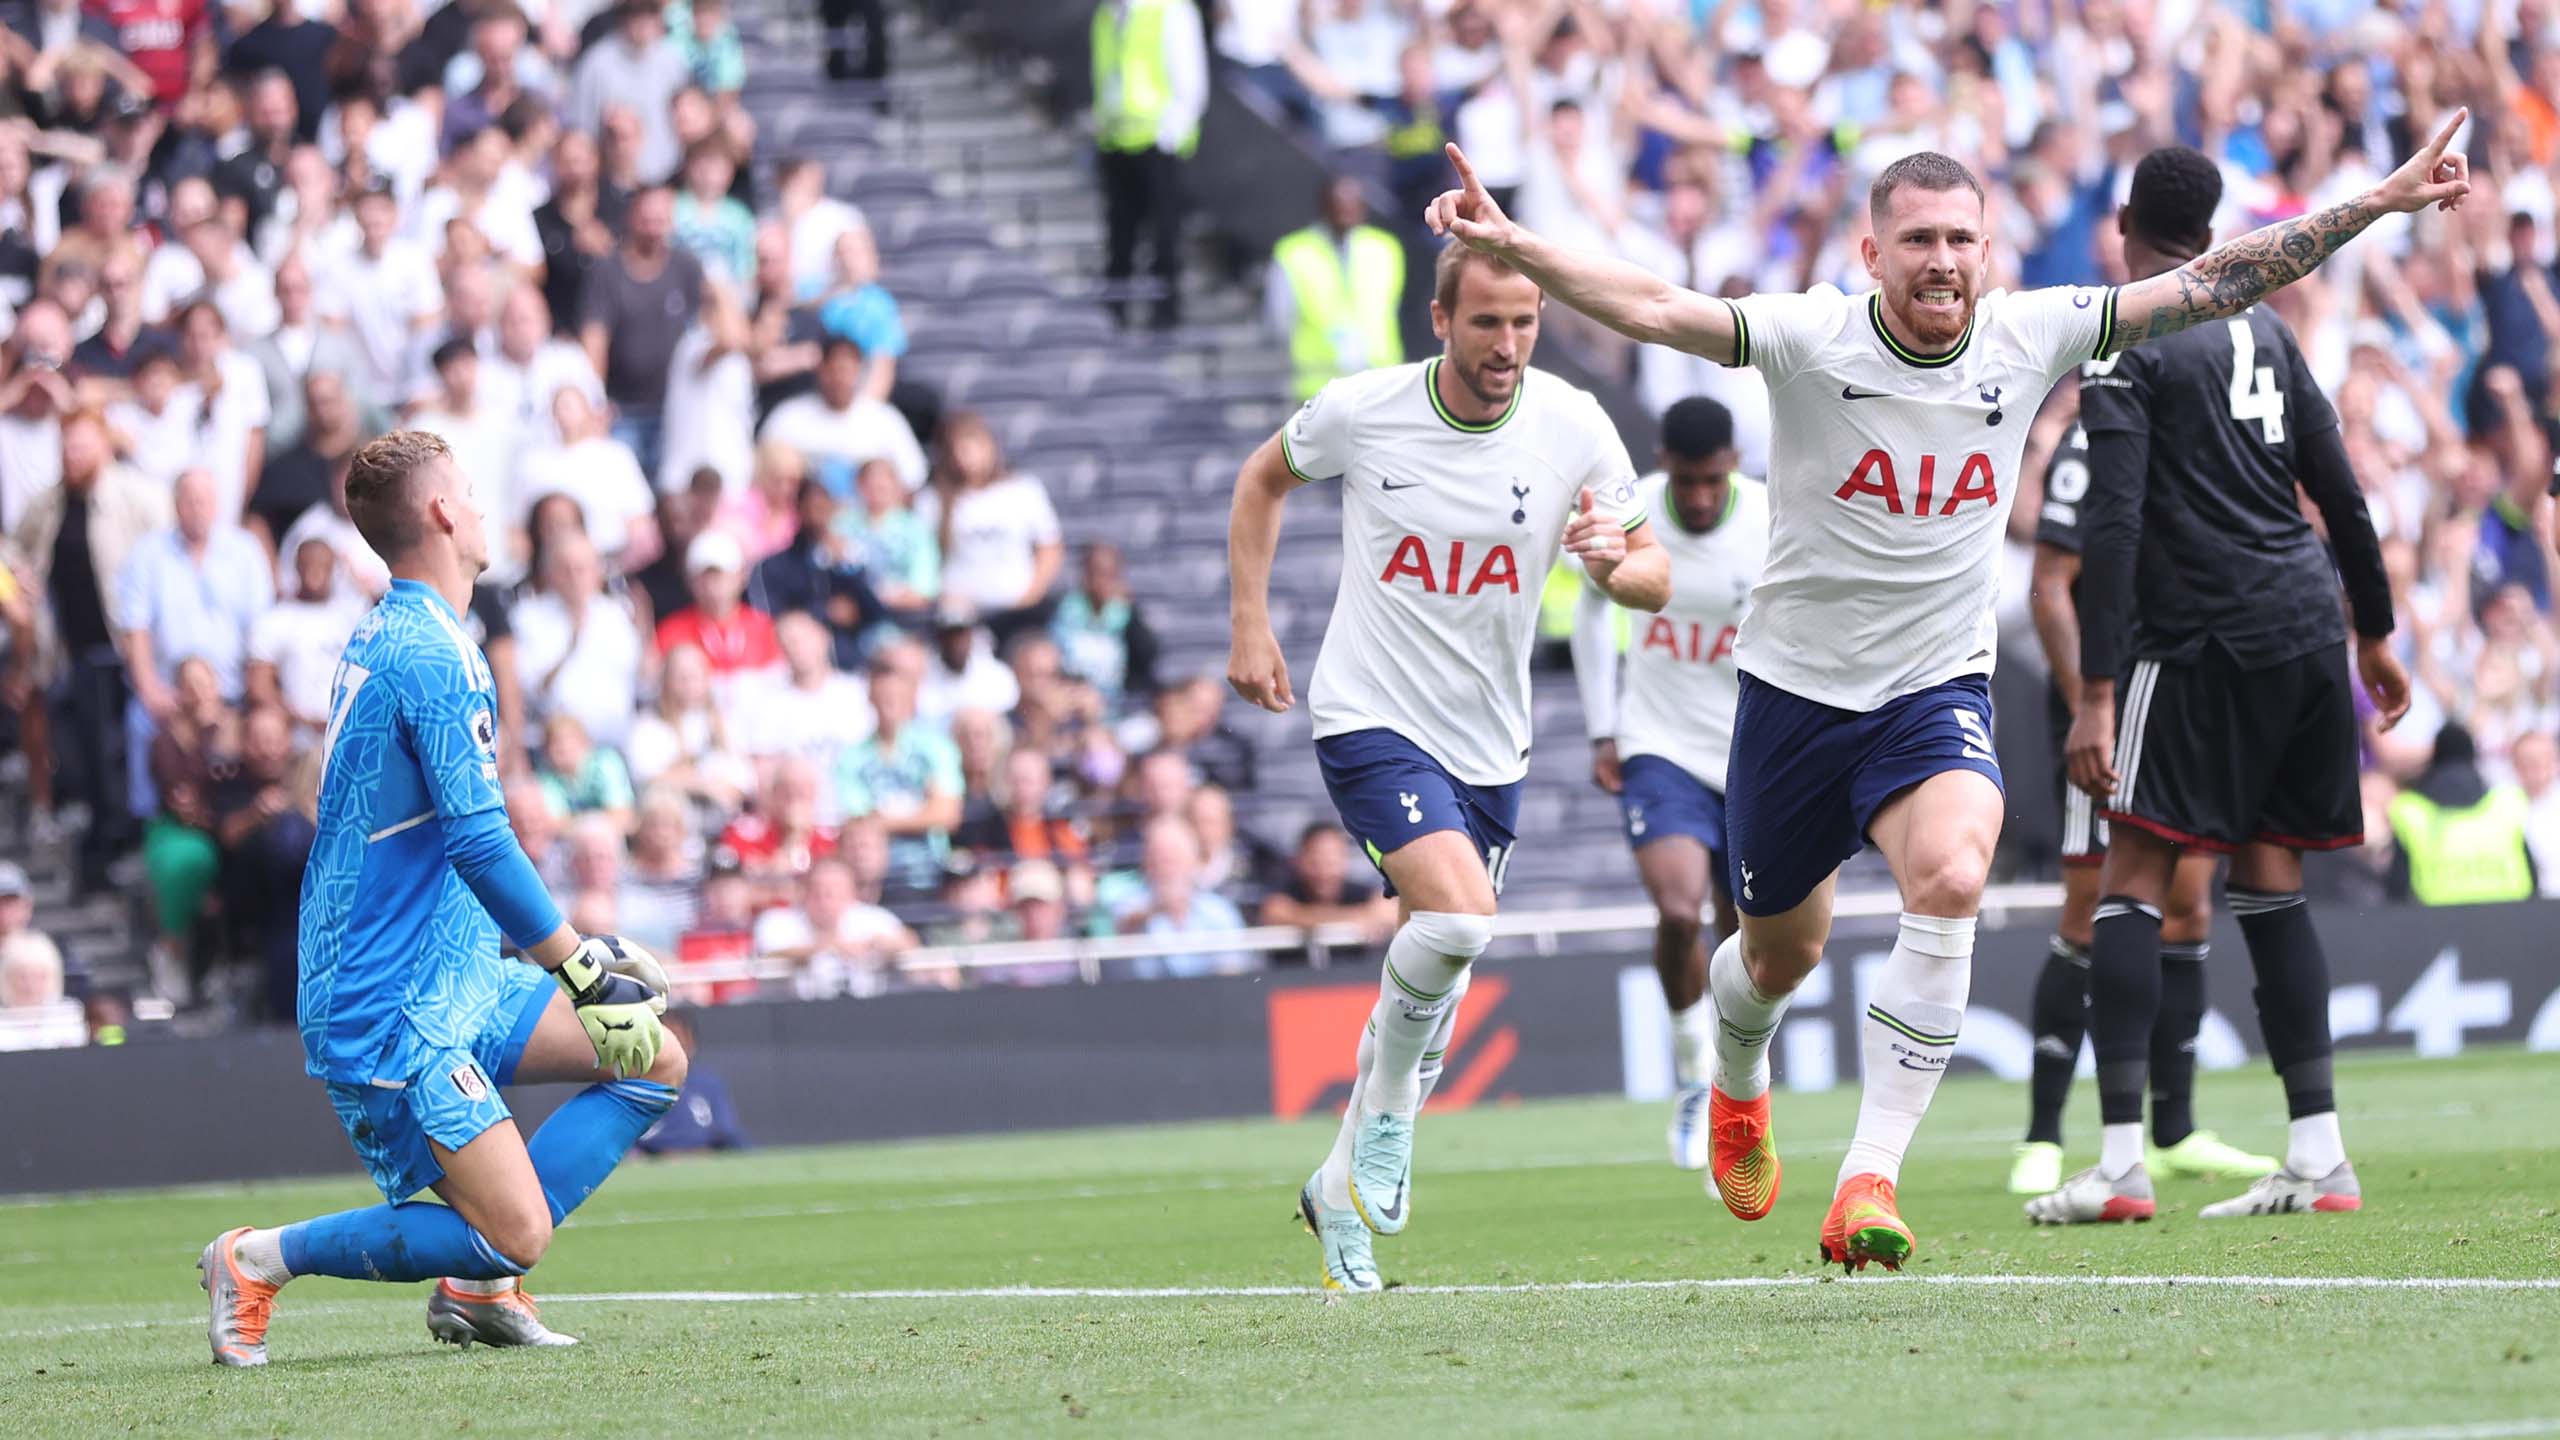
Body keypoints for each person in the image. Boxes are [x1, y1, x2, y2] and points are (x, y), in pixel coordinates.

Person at [1423, 106, 2468, 1270]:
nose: (1942, 261)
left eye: (1962, 240)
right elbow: (1658, 307)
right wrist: (1516, 248)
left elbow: (2217, 282)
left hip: (1933, 689)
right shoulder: (1811, 338)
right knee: (1775, 957)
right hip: (1793, 697)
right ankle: (1736, 1077)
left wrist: (2376, 201)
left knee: (1956, 872)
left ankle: (1868, 1178)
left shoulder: (2033, 334)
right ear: (1871, 255)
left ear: (1991, 251)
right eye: (1917, 239)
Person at [1226, 238, 1669, 1294]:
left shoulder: (1574, 427)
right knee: (1461, 920)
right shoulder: (1364, 408)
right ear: (1439, 320)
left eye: (1523, 322)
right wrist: (1249, 622)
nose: (1508, 343)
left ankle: (1335, 1190)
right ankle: (1382, 1128)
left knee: (1432, 992)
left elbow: (1652, 573)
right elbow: (1262, 476)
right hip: (1369, 713)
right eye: (1486, 323)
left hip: (1490, 742)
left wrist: (1617, 566)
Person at [199, 429, 685, 1366]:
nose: (482, 500)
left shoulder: (400, 632)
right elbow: (477, 839)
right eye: (469, 485)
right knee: (517, 1226)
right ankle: (258, 1258)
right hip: (390, 1007)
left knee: (651, 1059)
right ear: (442, 513)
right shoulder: (432, 654)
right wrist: (578, 960)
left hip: (451, 974)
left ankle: (480, 1291)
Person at [2029, 147, 2420, 1227]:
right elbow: (2338, 492)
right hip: (2303, 633)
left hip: (2200, 639)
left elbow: (2108, 526)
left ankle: (2115, 1163)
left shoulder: (2128, 333)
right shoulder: (2270, 328)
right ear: (2211, 233)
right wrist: (2375, 634)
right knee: (2267, 878)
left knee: (2130, 875)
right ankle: (2318, 1151)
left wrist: (2096, 693)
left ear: (2124, 225)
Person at [2010, 400, 2274, 1199]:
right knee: (2090, 911)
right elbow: (2050, 587)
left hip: (2192, 692)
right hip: (2112, 700)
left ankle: (2175, 1130)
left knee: (2190, 905)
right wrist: (2089, 706)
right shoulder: (2094, 435)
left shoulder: (2208, 422)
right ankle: (2044, 1134)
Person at [1567, 395, 1767, 1182]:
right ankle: (1692, 1074)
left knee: (1742, 936)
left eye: (1713, 481)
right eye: (1686, 481)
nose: (1698, 498)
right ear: (1665, 466)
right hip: (1660, 745)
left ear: (1733, 468)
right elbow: (1589, 610)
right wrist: (1601, 727)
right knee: (1679, 911)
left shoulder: (1771, 517)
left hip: (1751, 752)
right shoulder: (1636, 513)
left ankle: (1732, 1086)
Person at [1090, 0, 1205, 330]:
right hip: (1115, 140)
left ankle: (1166, 314)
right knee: (1119, 236)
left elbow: (1190, 79)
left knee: (1164, 235)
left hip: (1156, 141)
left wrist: (1169, 133)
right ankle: (1115, 311)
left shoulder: (1170, 10)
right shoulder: (1106, 13)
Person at [1268, 175, 1405, 399]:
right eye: (1339, 204)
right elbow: (1279, 321)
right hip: (1318, 384)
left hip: (1379, 381)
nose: (1346, 212)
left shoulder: (1385, 248)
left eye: (1352, 204)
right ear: (1324, 207)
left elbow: (1391, 308)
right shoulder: (1294, 251)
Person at [2386, 723, 2536, 905]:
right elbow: (2532, 876)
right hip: (2511, 919)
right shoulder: (2505, 802)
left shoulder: (2410, 810)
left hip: (2438, 924)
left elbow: (2397, 888)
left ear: (2435, 758)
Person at [757, 335, 926, 492]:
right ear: (820, 370)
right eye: (833, 370)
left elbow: (913, 477)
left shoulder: (885, 419)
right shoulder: (789, 417)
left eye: (846, 370)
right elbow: (761, 473)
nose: (839, 379)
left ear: (859, 371)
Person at [750, 854, 917, 998]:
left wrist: (881, 944)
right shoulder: (778, 921)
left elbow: (911, 945)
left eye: (834, 893)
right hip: (793, 1018)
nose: (825, 901)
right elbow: (769, 955)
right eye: (817, 892)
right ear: (803, 892)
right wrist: (825, 947)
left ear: (852, 895)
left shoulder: (872, 918)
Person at [1114, 814, 1250, 978]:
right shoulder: (1127, 903)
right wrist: (1159, 908)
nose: (1166, 865)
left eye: (1174, 856)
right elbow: (1123, 928)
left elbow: (1234, 967)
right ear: (1146, 861)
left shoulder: (1219, 910)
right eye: (1159, 856)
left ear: (1193, 860)